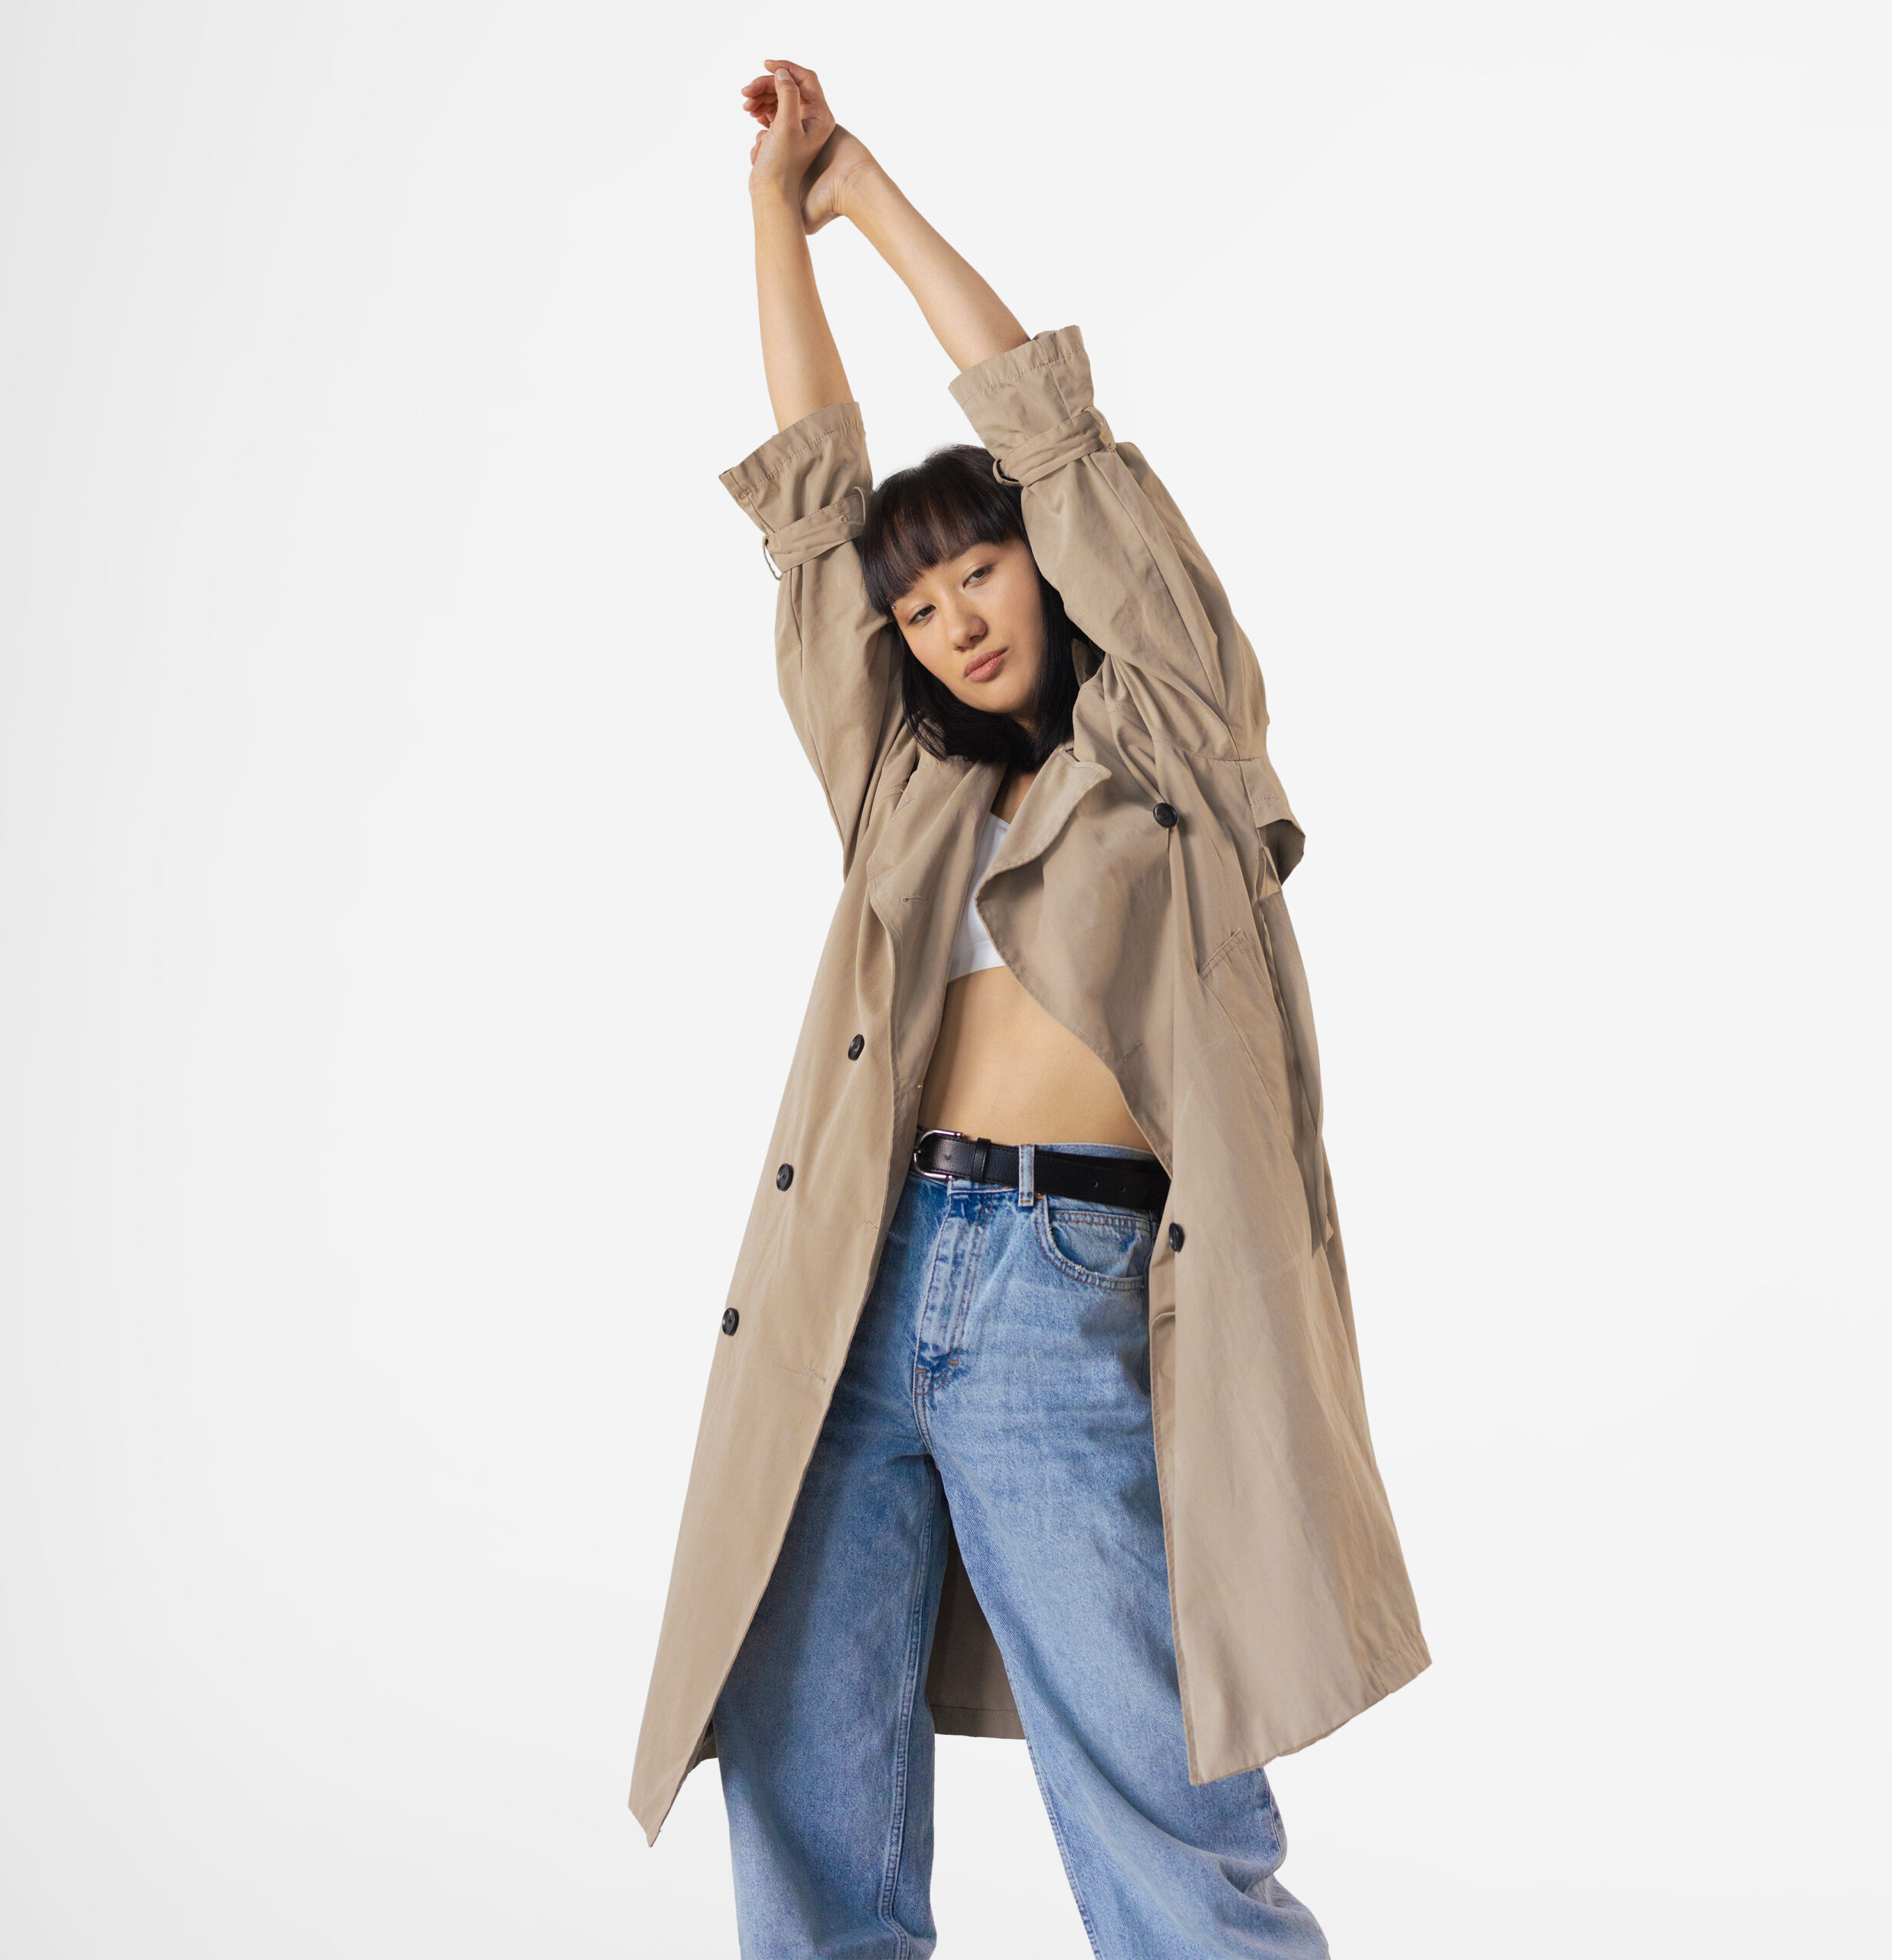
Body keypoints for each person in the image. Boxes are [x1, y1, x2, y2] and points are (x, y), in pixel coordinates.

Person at [627, 59, 1430, 1957]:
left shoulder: (1172, 740)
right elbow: (810, 509)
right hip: (860, 1270)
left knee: (1159, 1810)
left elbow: (1058, 438)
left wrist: (868, 198)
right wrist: (768, 214)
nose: (955, 620)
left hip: (1067, 1284)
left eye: (978, 569)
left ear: (1040, 563)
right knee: (802, 1787)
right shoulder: (899, 788)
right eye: (918, 609)